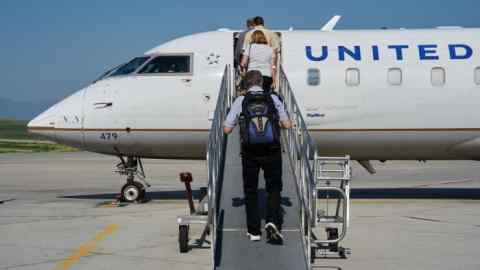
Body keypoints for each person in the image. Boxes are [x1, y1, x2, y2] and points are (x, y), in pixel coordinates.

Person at [223, 70, 292, 244]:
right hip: (272, 150)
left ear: (246, 84)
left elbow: (227, 129)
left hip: (250, 152)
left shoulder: (240, 101)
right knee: (274, 187)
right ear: (261, 82)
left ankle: (254, 231)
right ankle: (272, 222)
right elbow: (286, 124)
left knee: (250, 190)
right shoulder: (273, 99)